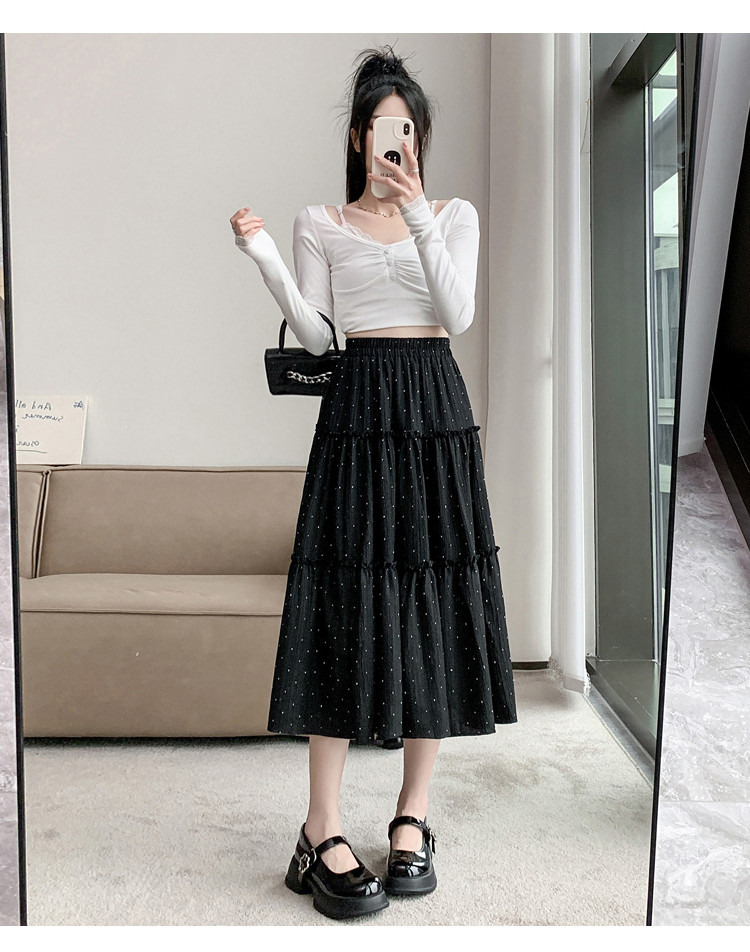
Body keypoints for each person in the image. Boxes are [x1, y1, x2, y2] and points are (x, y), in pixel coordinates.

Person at [230, 47, 517, 921]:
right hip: (357, 411)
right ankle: (319, 824)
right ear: (359, 137)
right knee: (345, 601)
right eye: (385, 129)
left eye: (410, 131)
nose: (398, 143)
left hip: (435, 411)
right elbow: (320, 337)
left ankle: (411, 814)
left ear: (418, 139)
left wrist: (417, 210)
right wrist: (265, 257)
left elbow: (457, 314)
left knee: (432, 598)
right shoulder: (319, 220)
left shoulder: (455, 215)